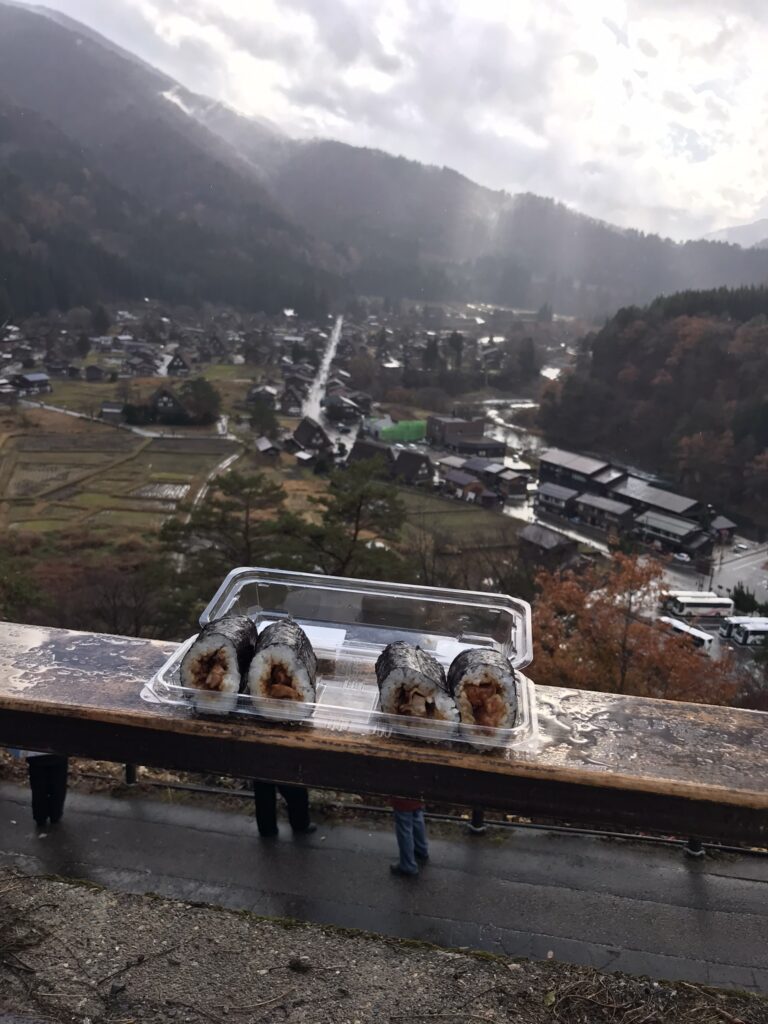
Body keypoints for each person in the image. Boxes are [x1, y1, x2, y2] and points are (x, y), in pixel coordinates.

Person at [13, 750, 69, 831]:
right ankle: (55, 814)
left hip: (36, 754)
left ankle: (40, 817)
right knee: (58, 785)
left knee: (38, 788)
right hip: (58, 754)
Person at [390, 796, 429, 877]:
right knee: (416, 815)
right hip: (418, 794)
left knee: (404, 826)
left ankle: (408, 865)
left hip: (403, 796)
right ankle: (420, 850)